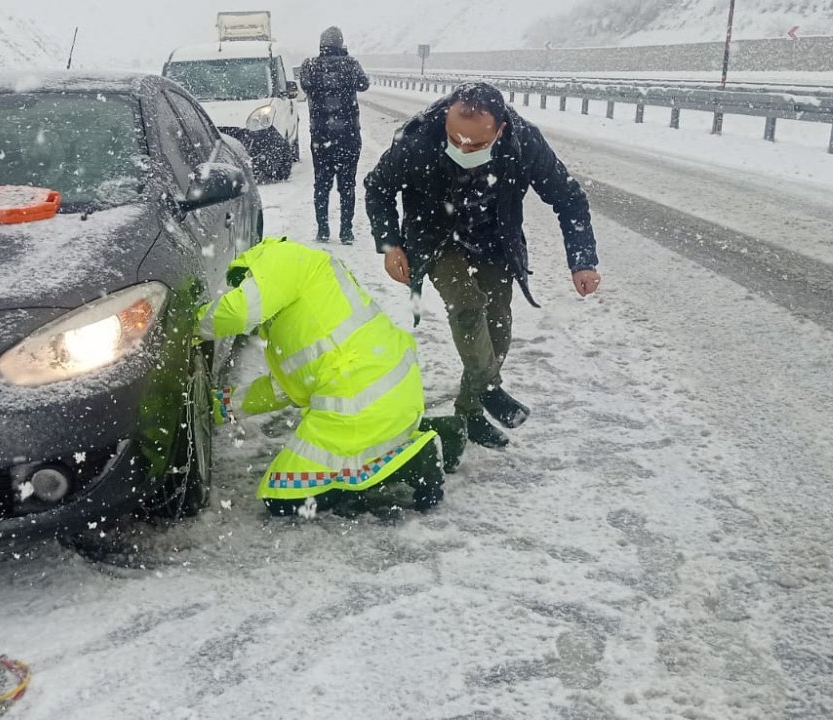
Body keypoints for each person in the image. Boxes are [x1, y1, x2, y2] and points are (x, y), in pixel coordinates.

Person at [364, 83, 602, 449]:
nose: (462, 149)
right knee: (467, 305)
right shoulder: (420, 138)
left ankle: (469, 410)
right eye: (455, 139)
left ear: (500, 130)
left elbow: (568, 198)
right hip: (437, 238)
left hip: (495, 241)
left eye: (475, 145)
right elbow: (378, 187)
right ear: (446, 120)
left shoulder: (524, 143)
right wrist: (390, 244)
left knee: (498, 330)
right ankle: (490, 389)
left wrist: (582, 261)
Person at [196, 236, 465, 517]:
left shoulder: (279, 261)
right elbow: (286, 387)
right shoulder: (304, 297)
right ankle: (440, 433)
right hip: (386, 388)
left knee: (283, 496)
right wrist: (219, 406)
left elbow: (236, 312)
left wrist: (191, 325)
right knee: (350, 447)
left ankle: (417, 460)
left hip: (359, 396)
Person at [298, 26, 370, 244]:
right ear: (340, 44)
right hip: (349, 138)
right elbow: (364, 84)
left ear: (322, 45)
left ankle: (323, 230)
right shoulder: (350, 65)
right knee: (347, 185)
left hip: (321, 138)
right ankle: (346, 232)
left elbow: (305, 85)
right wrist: (345, 60)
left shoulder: (309, 66)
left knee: (322, 184)